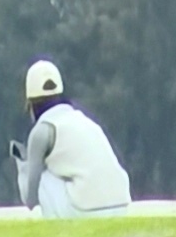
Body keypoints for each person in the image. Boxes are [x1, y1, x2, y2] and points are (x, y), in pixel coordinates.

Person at [14, 61, 135, 215]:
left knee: (42, 178)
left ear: (30, 103)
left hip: (87, 210)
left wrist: (23, 164)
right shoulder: (81, 119)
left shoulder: (42, 131)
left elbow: (31, 199)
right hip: (122, 204)